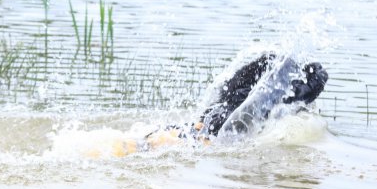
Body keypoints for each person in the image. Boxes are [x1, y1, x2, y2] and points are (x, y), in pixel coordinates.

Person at [137, 53, 328, 152]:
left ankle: (147, 140)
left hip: (213, 114)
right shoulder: (280, 92)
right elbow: (316, 81)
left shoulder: (269, 64)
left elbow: (231, 85)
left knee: (195, 130)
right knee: (202, 139)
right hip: (225, 127)